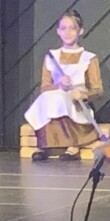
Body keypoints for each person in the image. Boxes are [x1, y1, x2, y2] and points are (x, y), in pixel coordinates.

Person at [23, 11, 103, 160]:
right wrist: (59, 84)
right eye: (63, 28)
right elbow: (45, 87)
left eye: (72, 28)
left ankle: (73, 144)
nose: (67, 32)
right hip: (55, 99)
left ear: (80, 31)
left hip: (77, 105)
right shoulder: (51, 57)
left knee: (60, 99)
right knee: (49, 98)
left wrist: (84, 94)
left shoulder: (89, 58)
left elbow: (98, 90)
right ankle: (46, 144)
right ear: (58, 31)